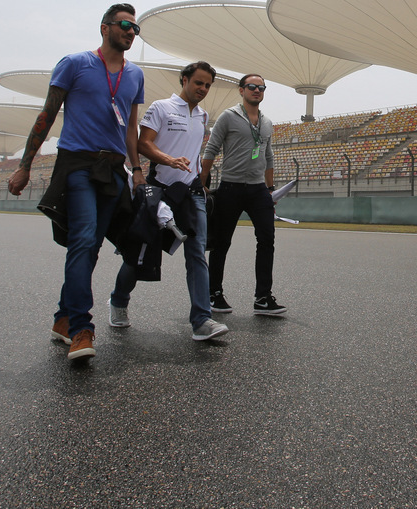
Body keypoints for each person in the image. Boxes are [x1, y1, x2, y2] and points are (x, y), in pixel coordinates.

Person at [8, 3, 145, 362]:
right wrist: (25, 166)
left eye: (136, 28)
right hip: (79, 164)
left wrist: (137, 169)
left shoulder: (135, 76)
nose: (131, 32)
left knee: (91, 246)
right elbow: (47, 114)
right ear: (104, 28)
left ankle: (62, 317)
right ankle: (82, 328)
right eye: (125, 25)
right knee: (83, 239)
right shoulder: (74, 63)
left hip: (114, 169)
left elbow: (130, 127)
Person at [109, 61, 227, 341]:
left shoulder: (203, 115)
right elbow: (143, 143)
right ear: (184, 80)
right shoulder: (160, 107)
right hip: (161, 191)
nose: (203, 89)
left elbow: (194, 153)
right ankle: (119, 300)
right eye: (198, 82)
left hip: (192, 194)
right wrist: (168, 159)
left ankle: (201, 321)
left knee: (197, 254)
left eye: (208, 85)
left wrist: (200, 181)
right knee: (140, 252)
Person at [201, 74, 286, 316]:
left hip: (259, 189)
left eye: (261, 88)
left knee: (267, 239)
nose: (257, 91)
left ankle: (263, 297)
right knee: (221, 242)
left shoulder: (267, 122)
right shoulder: (229, 116)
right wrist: (201, 183)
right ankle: (214, 293)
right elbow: (211, 148)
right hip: (231, 186)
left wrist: (270, 190)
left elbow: (268, 156)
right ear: (241, 90)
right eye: (252, 87)